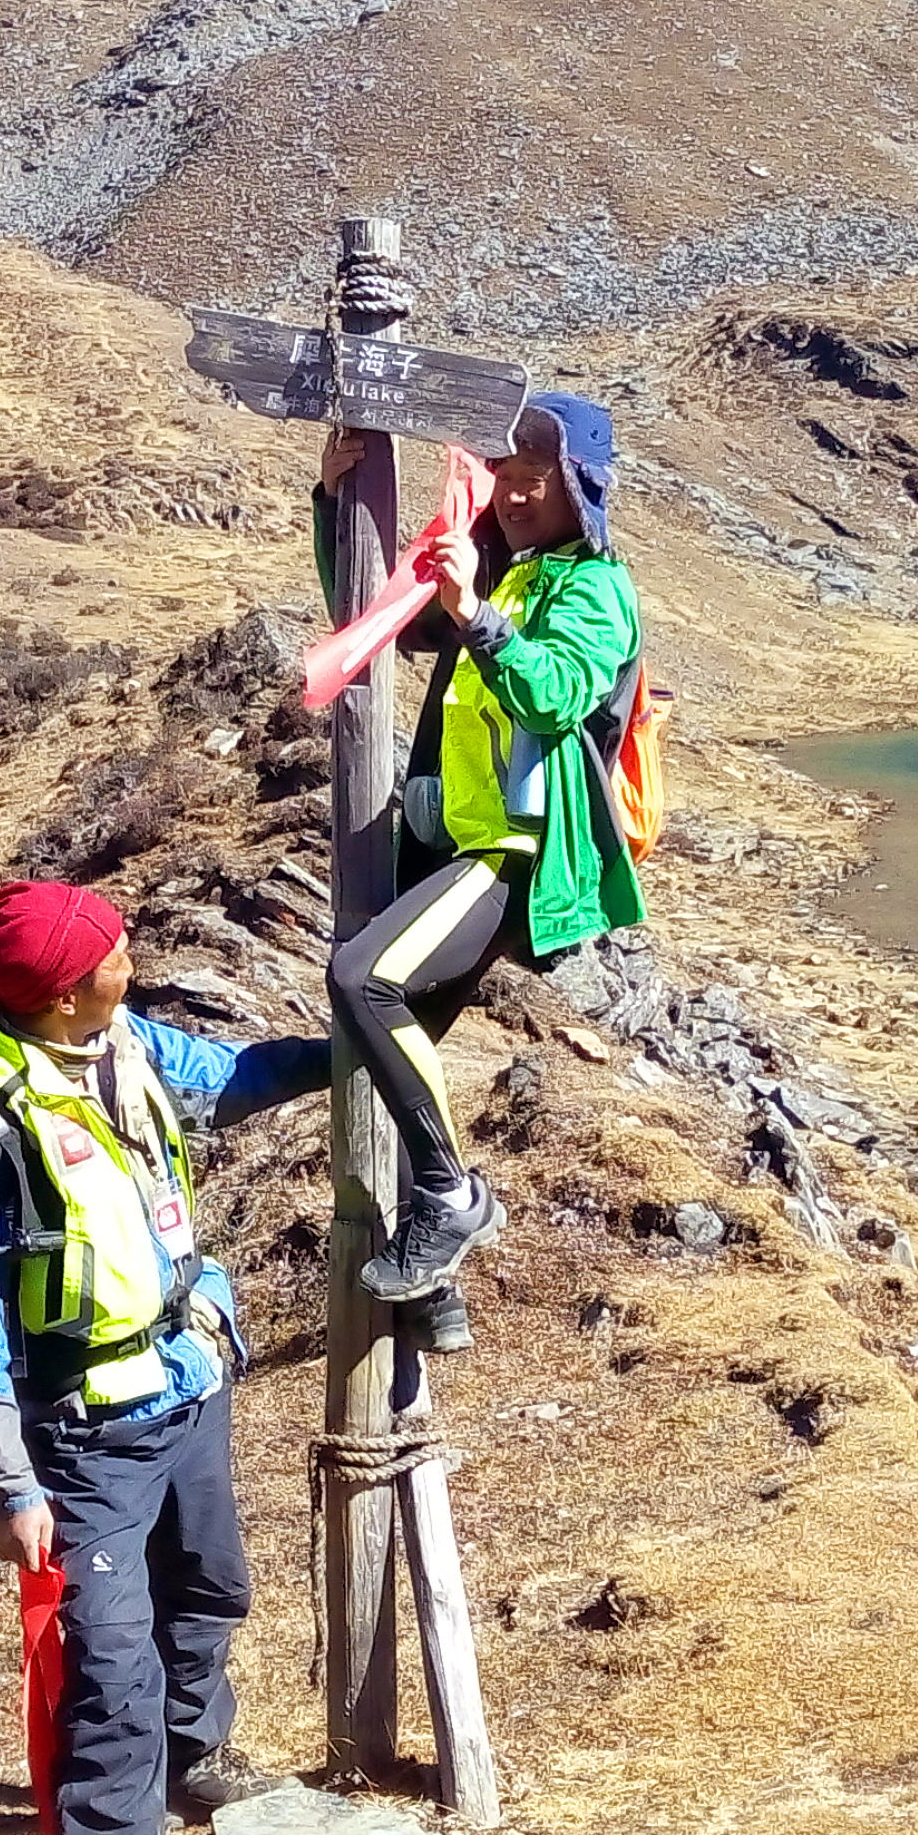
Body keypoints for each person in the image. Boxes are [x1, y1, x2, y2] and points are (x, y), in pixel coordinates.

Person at [0, 879, 327, 1835]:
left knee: (209, 1588)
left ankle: (197, 1759)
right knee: (109, 1657)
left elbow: (231, 1081)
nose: (130, 961)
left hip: (189, 1379)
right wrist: (8, 1490)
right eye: (111, 954)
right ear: (57, 999)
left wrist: (355, 1041)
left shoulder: (121, 1040)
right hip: (85, 1434)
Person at [319, 392, 649, 1308]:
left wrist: (476, 614)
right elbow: (372, 623)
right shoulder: (506, 573)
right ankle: (433, 1296)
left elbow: (552, 695)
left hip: (518, 853)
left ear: (578, 488)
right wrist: (333, 503)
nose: (509, 497)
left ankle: (449, 1197)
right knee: (379, 1041)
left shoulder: (596, 590)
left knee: (362, 982)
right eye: (503, 479)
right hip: (456, 843)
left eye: (532, 481)